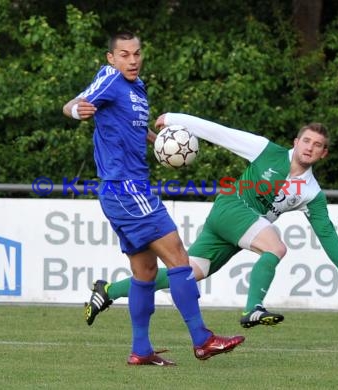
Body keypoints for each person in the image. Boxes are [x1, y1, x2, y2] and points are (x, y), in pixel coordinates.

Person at [62, 32, 244, 366]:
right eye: (124, 54)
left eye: (136, 54)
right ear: (111, 58)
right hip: (127, 188)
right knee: (178, 257)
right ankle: (202, 340)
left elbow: (130, 126)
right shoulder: (110, 79)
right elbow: (72, 104)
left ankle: (141, 349)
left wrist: (157, 140)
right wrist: (76, 111)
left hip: (122, 192)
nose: (132, 60)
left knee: (145, 273)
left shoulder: (138, 88)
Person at [84, 112, 338, 328]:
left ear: (323, 154)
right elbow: (221, 133)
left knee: (186, 274)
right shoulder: (267, 151)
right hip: (232, 207)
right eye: (306, 141)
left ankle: (108, 290)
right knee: (276, 248)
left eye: (317, 145)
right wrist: (175, 120)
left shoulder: (312, 193)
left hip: (237, 227)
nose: (310, 147)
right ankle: (253, 308)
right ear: (296, 142)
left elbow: (324, 229)